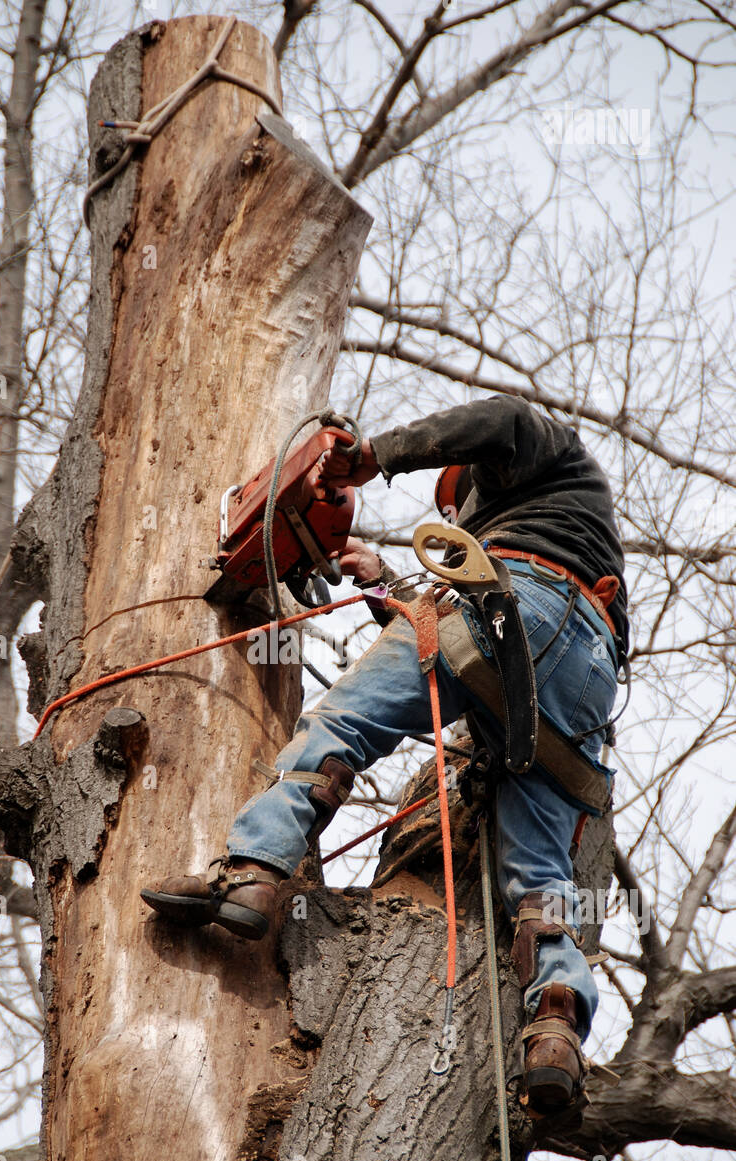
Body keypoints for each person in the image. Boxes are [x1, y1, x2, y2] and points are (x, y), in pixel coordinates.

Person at [141, 395, 628, 1114]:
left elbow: (504, 421)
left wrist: (373, 457)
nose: (460, 513)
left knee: (344, 725)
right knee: (540, 873)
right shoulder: (575, 531)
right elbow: (467, 654)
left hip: (520, 599)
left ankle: (251, 870)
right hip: (588, 676)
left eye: (459, 498)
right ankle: (553, 1022)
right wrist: (377, 581)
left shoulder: (548, 456)